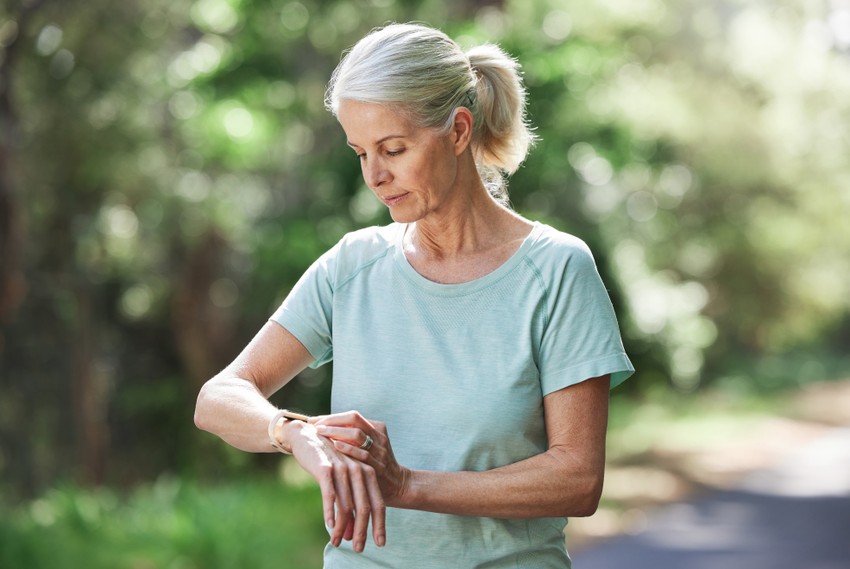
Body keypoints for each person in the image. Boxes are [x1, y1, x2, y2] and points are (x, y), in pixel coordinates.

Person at [194, 22, 634, 568]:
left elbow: (577, 479)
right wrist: (293, 433)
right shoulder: (351, 267)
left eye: (393, 149)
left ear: (458, 131)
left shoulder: (556, 270)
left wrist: (406, 485)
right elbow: (218, 398)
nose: (375, 176)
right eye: (360, 153)